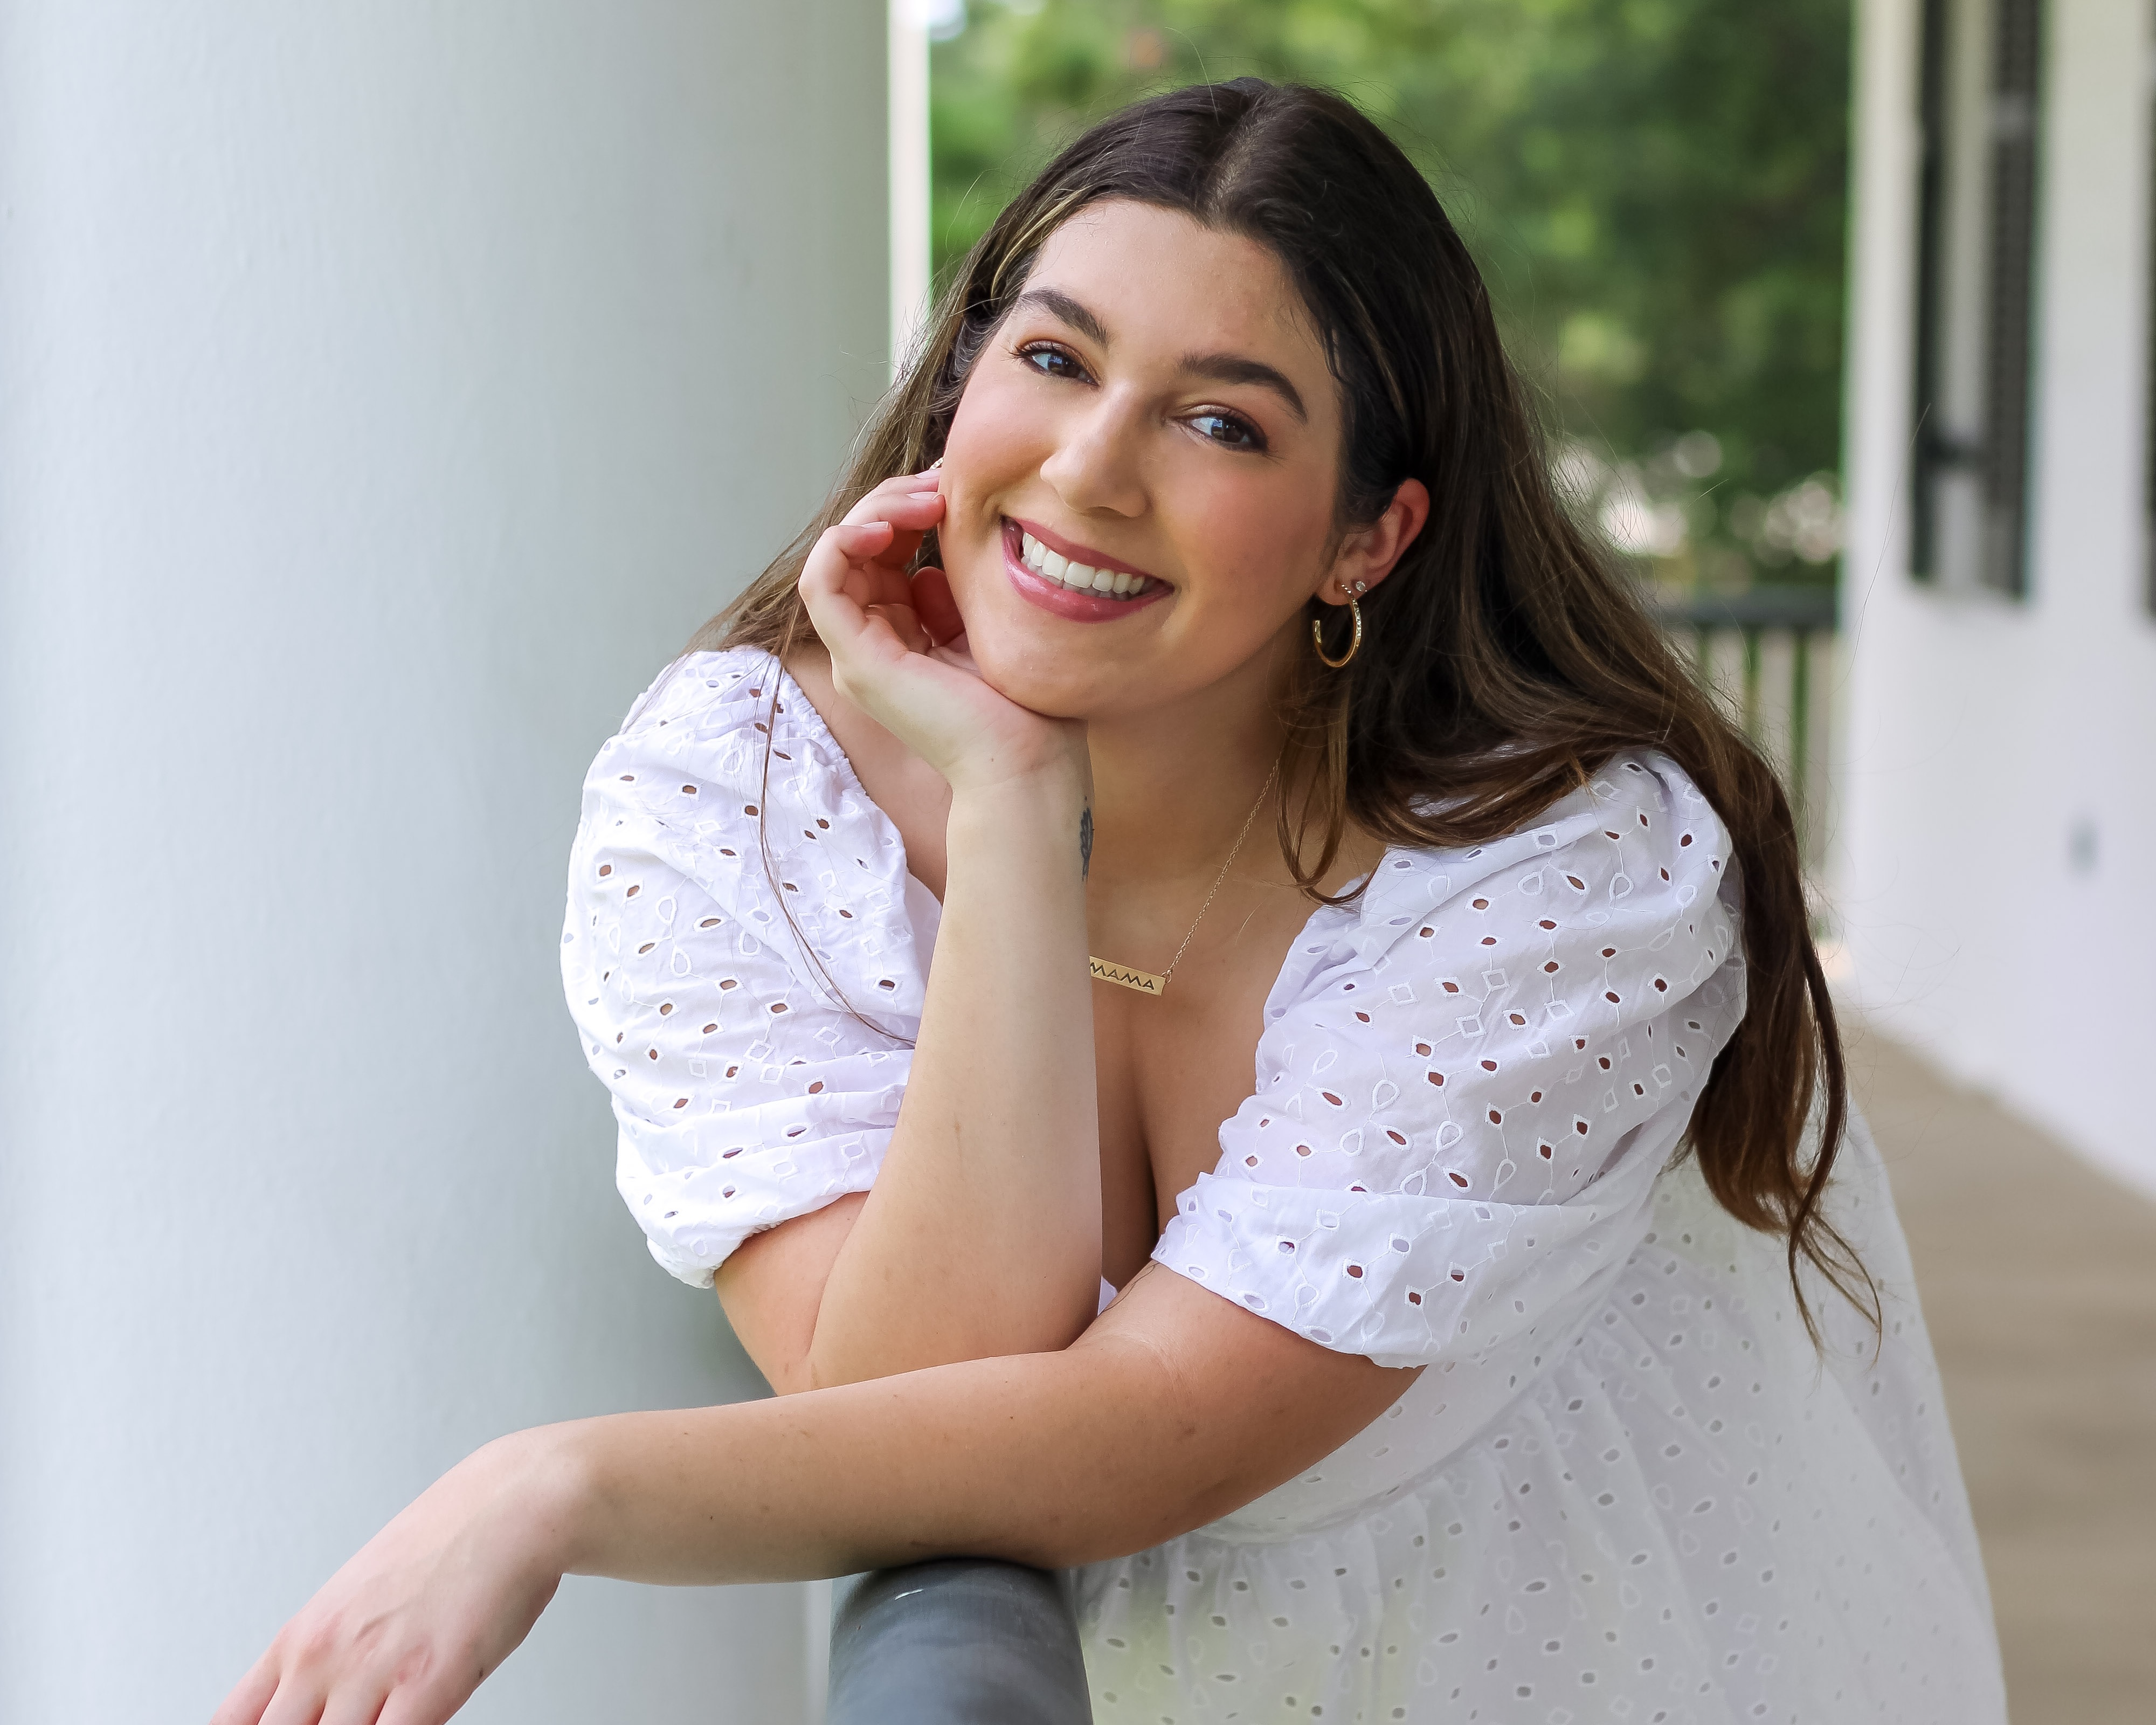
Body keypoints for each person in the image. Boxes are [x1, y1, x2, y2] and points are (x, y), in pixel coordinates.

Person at [216, 79, 2005, 1725]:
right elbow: (908, 1385)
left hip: (1535, 1652)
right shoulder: (737, 798)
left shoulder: (1557, 880)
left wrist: (556, 1487)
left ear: (1369, 537)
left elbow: (1146, 1432)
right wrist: (1011, 807)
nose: (1089, 468)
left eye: (1221, 420)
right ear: (959, 389)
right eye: (1055, 362)